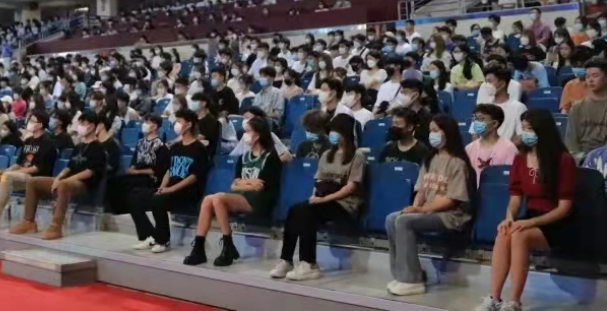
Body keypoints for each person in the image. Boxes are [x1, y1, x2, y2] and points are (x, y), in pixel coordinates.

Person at [477, 109, 577, 311]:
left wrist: (529, 223)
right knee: (505, 232)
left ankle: (514, 302)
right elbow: (516, 197)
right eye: (523, 129)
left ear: (542, 130)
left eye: (529, 129)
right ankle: (494, 298)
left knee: (519, 235)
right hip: (530, 216)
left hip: (556, 222)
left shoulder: (563, 160)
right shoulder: (521, 159)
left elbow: (564, 208)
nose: (525, 133)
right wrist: (509, 217)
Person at [385, 114, 476, 296]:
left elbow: (451, 200)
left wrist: (419, 210)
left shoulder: (458, 163)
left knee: (404, 222)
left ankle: (412, 280)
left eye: (435, 130)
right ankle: (401, 275)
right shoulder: (430, 159)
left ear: (447, 133)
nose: (431, 134)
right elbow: (421, 190)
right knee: (392, 219)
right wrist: (414, 208)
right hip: (429, 211)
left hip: (451, 215)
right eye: (430, 131)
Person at [270, 114, 365, 280]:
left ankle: (309, 264)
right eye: (331, 131)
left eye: (336, 131)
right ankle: (286, 260)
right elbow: (318, 181)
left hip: (344, 205)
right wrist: (314, 198)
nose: (332, 134)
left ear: (345, 132)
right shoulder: (327, 154)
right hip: (323, 200)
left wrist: (323, 200)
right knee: (296, 210)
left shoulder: (357, 156)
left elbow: (351, 187)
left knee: (307, 212)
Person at [184, 117, 282, 267]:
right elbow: (235, 185)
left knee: (218, 198)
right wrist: (249, 182)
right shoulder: (244, 157)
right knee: (208, 200)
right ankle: (199, 248)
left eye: (248, 131)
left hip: (260, 200)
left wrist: (242, 183)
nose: (245, 135)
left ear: (258, 135)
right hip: (240, 197)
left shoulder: (270, 157)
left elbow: (260, 186)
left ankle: (228, 245)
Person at [10, 111, 108, 240]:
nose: (81, 126)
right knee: (33, 182)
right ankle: (28, 222)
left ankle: (56, 226)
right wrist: (58, 178)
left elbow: (89, 172)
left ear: (92, 126)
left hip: (85, 184)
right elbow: (69, 167)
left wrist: (65, 180)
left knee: (63, 185)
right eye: (81, 123)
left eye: (84, 123)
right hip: (67, 181)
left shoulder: (99, 148)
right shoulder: (79, 146)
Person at [128, 111, 206, 253]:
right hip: (170, 189)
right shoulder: (176, 147)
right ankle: (150, 235)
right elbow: (169, 171)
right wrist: (162, 187)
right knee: (135, 196)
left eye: (179, 121)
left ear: (189, 124)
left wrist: (171, 189)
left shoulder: (199, 148)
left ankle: (163, 241)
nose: (176, 124)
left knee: (158, 200)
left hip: (188, 191)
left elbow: (194, 177)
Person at [109, 114, 169, 218]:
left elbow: (157, 170)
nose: (144, 125)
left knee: (126, 184)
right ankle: (116, 210)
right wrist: (132, 168)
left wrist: (137, 171)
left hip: (150, 178)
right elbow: (134, 161)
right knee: (113, 181)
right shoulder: (141, 143)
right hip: (137, 174)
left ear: (155, 126)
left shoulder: (162, 146)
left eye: (147, 123)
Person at [565, 57, 607, 157]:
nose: (590, 80)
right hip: (582, 157)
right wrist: (580, 158)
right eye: (587, 76)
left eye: (595, 76)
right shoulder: (577, 107)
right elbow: (571, 141)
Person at [465, 104, 519, 185]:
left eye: (481, 119)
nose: (476, 123)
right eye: (475, 119)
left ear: (494, 124)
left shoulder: (509, 148)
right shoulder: (469, 148)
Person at [483, 68, 526, 141]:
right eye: (485, 82)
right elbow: (475, 133)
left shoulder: (519, 108)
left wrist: (504, 147)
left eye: (489, 81)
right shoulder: (483, 107)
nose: (486, 85)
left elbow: (521, 136)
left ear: (502, 84)